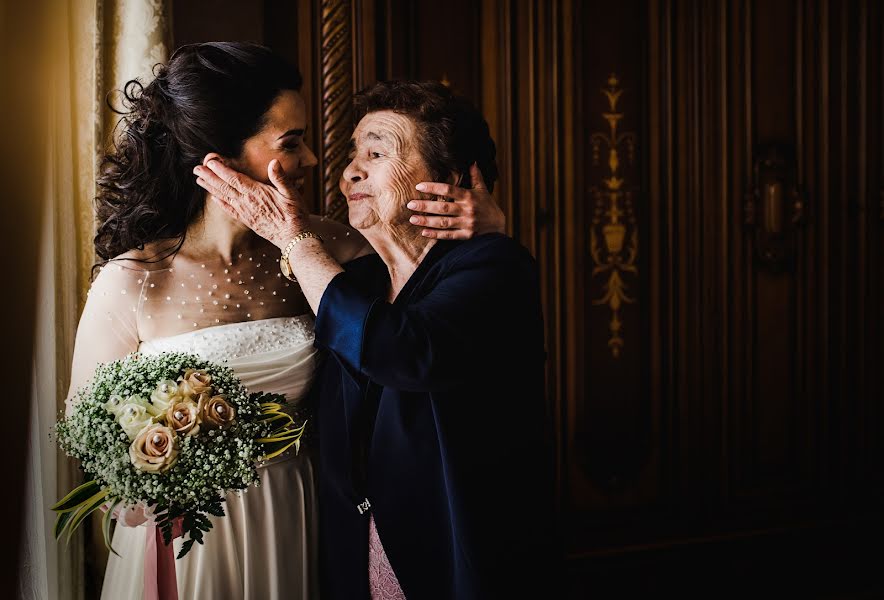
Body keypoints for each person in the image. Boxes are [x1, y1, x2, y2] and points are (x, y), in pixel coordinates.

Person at [67, 43, 503, 599]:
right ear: (217, 157)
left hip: (305, 518)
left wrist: (488, 219)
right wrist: (156, 470)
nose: (316, 162)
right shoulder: (133, 281)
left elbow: (417, 308)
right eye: (291, 143)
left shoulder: (337, 251)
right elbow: (89, 436)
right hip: (187, 540)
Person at [195, 80, 555, 599]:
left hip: (460, 562)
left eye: (377, 152)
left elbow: (405, 352)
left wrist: (293, 239)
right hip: (349, 562)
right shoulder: (359, 281)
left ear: (449, 180)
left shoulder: (494, 267)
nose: (350, 172)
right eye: (353, 155)